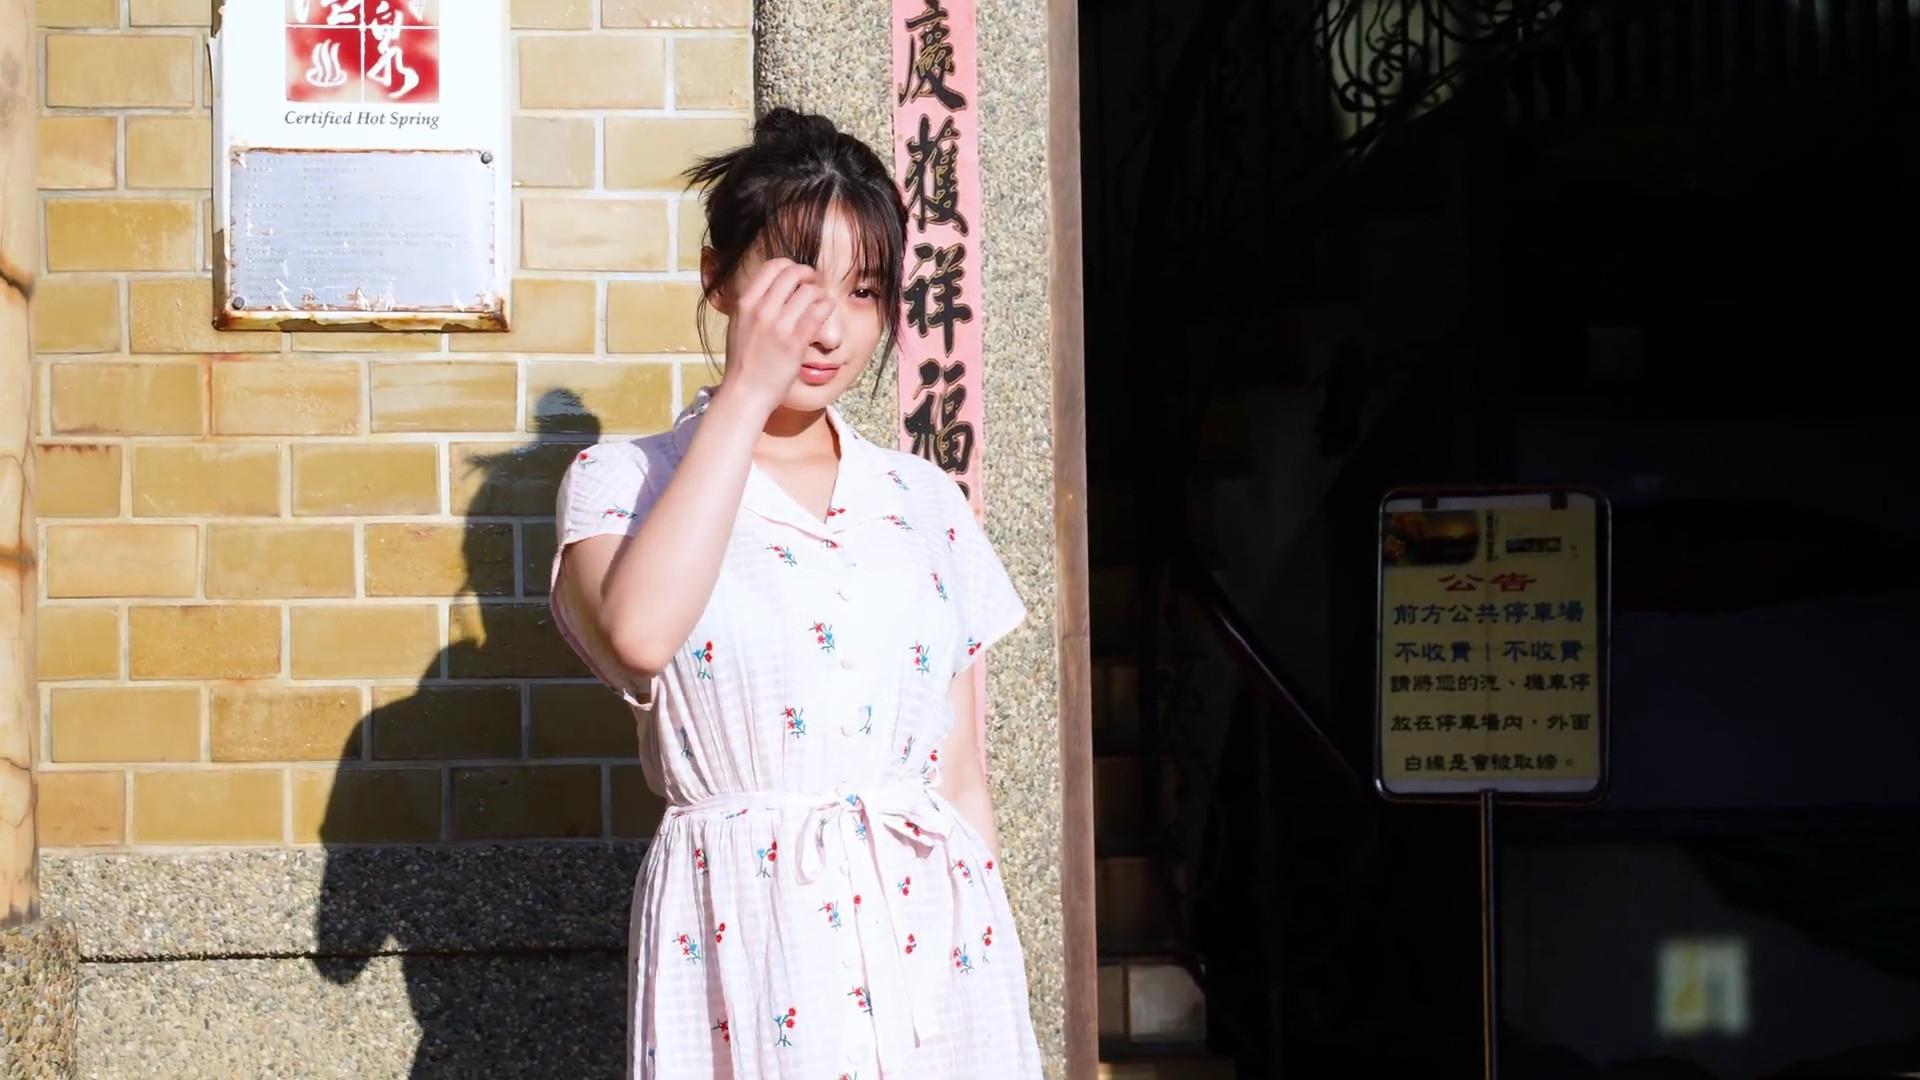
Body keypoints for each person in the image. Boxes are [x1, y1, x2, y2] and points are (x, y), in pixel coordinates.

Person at [549, 108, 1043, 1079]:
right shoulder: (624, 481)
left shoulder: (921, 498)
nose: (827, 326)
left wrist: (990, 967)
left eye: (863, 291)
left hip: (934, 935)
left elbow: (958, 774)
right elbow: (640, 635)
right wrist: (744, 394)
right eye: (795, 283)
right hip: (746, 931)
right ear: (718, 278)